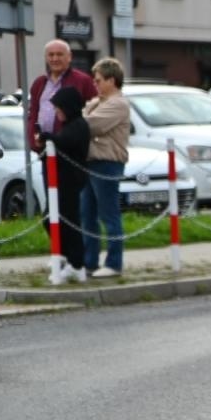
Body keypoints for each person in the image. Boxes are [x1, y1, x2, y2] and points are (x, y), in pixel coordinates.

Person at [81, 58, 129, 280]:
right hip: (90, 161)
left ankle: (114, 263)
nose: (95, 84)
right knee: (87, 214)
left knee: (108, 214)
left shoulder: (118, 103)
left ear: (112, 80)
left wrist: (80, 119)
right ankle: (89, 261)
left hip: (107, 162)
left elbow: (91, 125)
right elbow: (82, 117)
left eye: (99, 80)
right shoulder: (98, 102)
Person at [42, 86, 91, 285]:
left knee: (69, 222)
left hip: (71, 181)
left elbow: (66, 141)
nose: (57, 112)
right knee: (51, 218)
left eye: (59, 108)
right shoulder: (69, 125)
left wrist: (48, 137)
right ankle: (63, 254)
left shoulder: (78, 126)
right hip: (61, 181)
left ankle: (76, 264)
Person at [26, 40, 98, 153]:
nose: (55, 59)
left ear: (69, 57)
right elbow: (33, 113)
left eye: (59, 54)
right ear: (46, 58)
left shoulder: (83, 81)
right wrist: (33, 138)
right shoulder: (39, 83)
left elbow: (95, 109)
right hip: (44, 147)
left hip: (70, 149)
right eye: (51, 55)